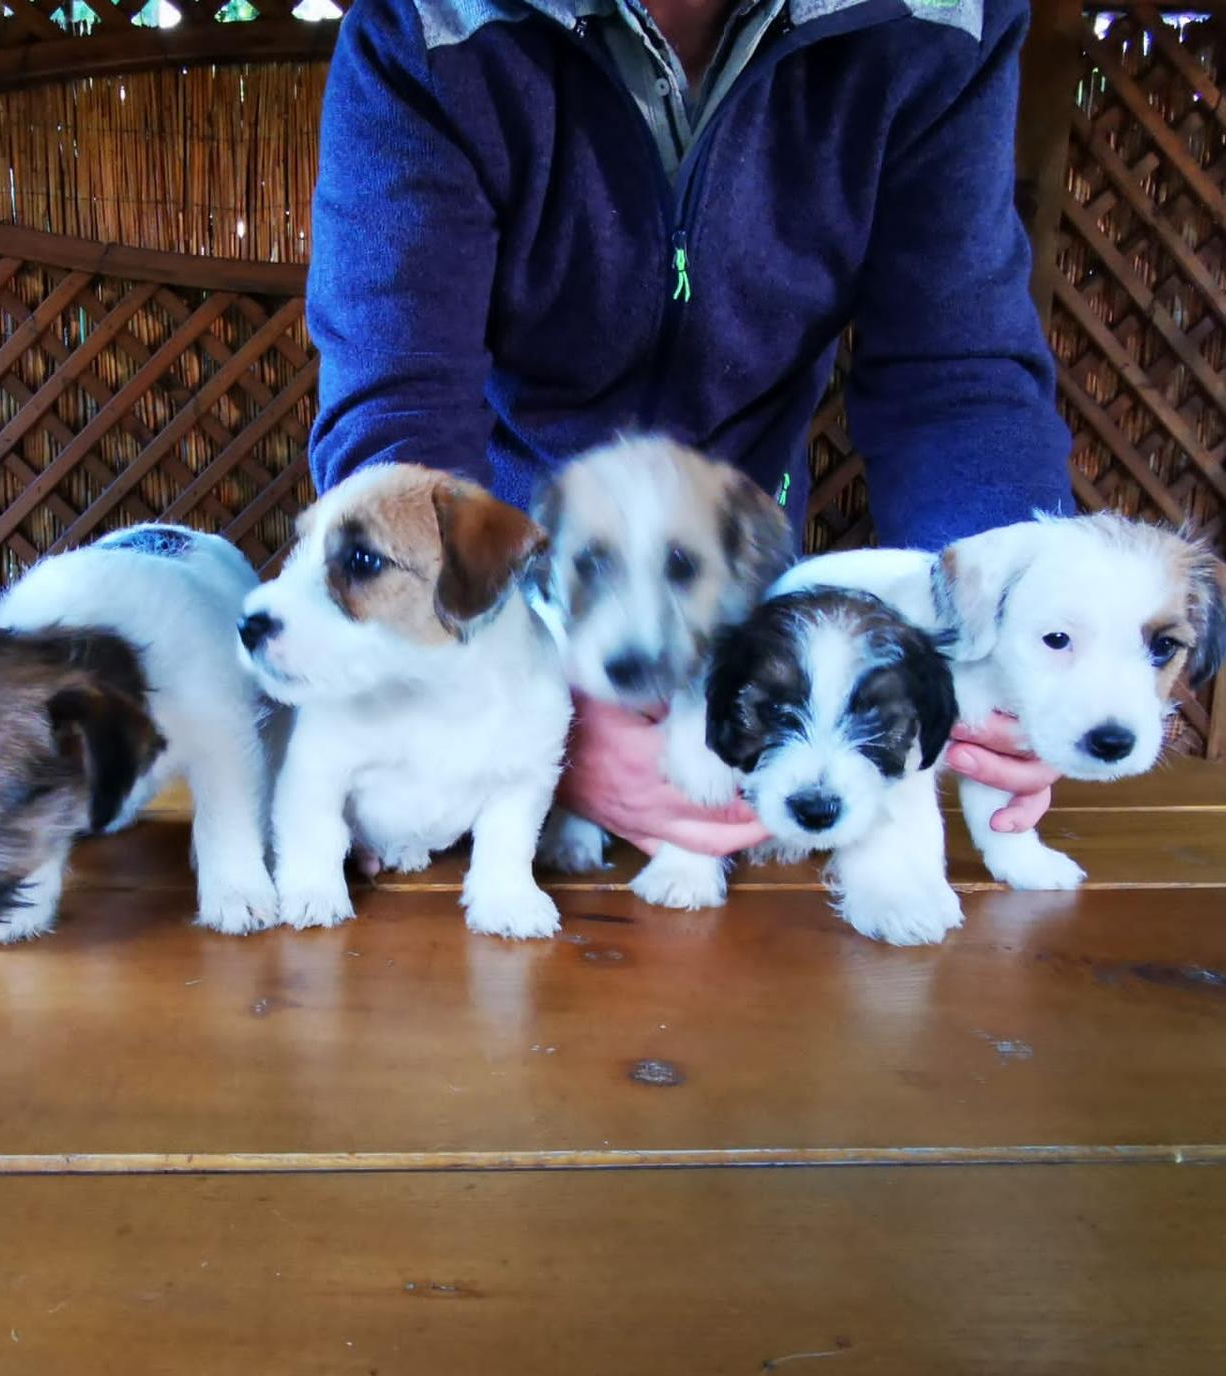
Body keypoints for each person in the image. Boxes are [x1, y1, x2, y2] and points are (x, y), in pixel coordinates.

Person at [304, 0, 1067, 857]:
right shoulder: (426, 22)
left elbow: (956, 371)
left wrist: (1013, 627)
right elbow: (401, 402)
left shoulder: (945, 18)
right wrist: (525, 700)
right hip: (516, 611)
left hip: (751, 607)